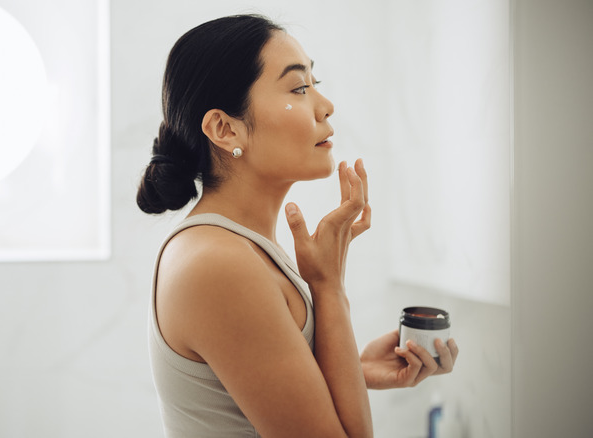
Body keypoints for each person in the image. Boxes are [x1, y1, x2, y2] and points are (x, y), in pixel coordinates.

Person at [137, 14, 459, 438]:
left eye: (315, 83)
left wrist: (354, 368)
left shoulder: (234, 247)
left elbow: (246, 389)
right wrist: (327, 287)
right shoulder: (219, 264)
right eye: (298, 88)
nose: (325, 105)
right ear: (224, 128)